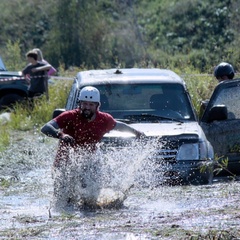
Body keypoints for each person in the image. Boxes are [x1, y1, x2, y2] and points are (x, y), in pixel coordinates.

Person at [41, 86, 146, 168]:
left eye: (91, 105)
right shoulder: (69, 116)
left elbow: (119, 126)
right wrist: (61, 135)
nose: (87, 107)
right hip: (64, 162)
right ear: (79, 104)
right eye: (84, 104)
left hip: (89, 163)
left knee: (90, 194)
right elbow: (45, 128)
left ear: (97, 106)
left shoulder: (104, 119)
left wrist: (137, 133)